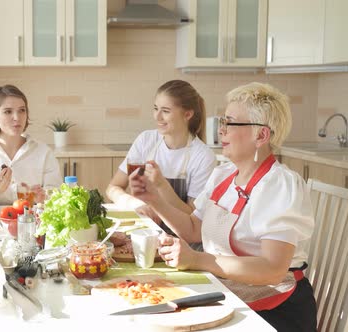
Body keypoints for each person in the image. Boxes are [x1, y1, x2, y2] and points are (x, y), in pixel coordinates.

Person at [130, 82, 316, 331]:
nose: (222, 131)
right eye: (222, 122)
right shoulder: (224, 175)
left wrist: (197, 259)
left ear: (261, 135)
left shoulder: (279, 184)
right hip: (230, 292)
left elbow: (273, 269)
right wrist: (153, 198)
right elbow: (193, 229)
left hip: (276, 311)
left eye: (230, 123)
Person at [106, 80, 216, 242]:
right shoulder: (146, 141)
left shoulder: (202, 156)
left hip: (179, 242)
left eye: (165, 111)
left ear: (187, 114)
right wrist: (135, 204)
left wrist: (161, 185)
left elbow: (192, 217)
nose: (157, 117)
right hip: (141, 234)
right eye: (156, 109)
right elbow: (113, 188)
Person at [0, 84, 63, 206]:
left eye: (22, 110)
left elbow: (56, 194)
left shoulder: (43, 152)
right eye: (8, 111)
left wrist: (42, 198)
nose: (17, 117)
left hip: (32, 222)